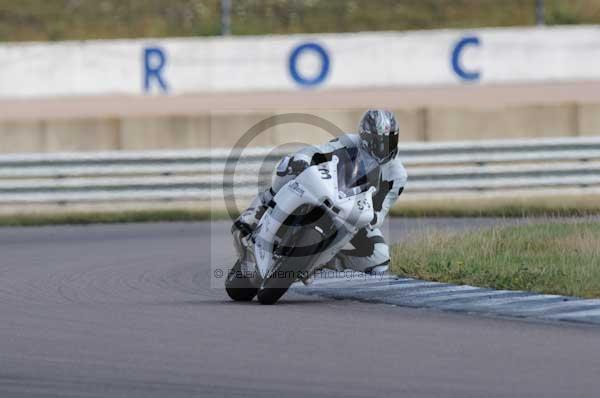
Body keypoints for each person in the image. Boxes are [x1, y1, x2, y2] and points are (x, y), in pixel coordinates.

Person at [232, 109, 407, 276]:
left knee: (380, 258)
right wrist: (302, 160)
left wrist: (371, 217)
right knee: (289, 167)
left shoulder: (397, 175)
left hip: (354, 215)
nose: (383, 147)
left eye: (388, 141)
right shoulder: (349, 142)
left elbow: (381, 211)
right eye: (378, 141)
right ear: (366, 137)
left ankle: (326, 262)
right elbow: (317, 151)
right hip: (328, 191)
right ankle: (255, 214)